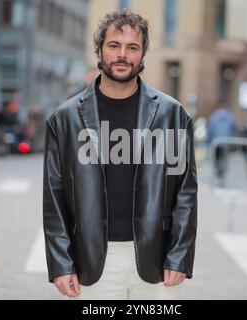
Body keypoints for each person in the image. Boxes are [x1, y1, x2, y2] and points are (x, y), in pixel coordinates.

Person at [43, 11, 197, 300]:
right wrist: (61, 263)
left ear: (143, 54)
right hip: (92, 260)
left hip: (154, 260)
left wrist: (179, 256)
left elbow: (185, 192)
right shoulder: (65, 119)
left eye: (132, 47)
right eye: (114, 45)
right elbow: (54, 198)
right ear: (100, 49)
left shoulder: (172, 115)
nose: (122, 55)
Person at [206, 101, 237, 178]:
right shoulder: (230, 116)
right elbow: (235, 127)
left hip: (216, 141)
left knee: (217, 156)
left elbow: (210, 129)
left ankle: (218, 168)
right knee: (224, 156)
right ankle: (222, 169)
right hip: (226, 140)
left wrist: (208, 141)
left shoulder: (214, 116)